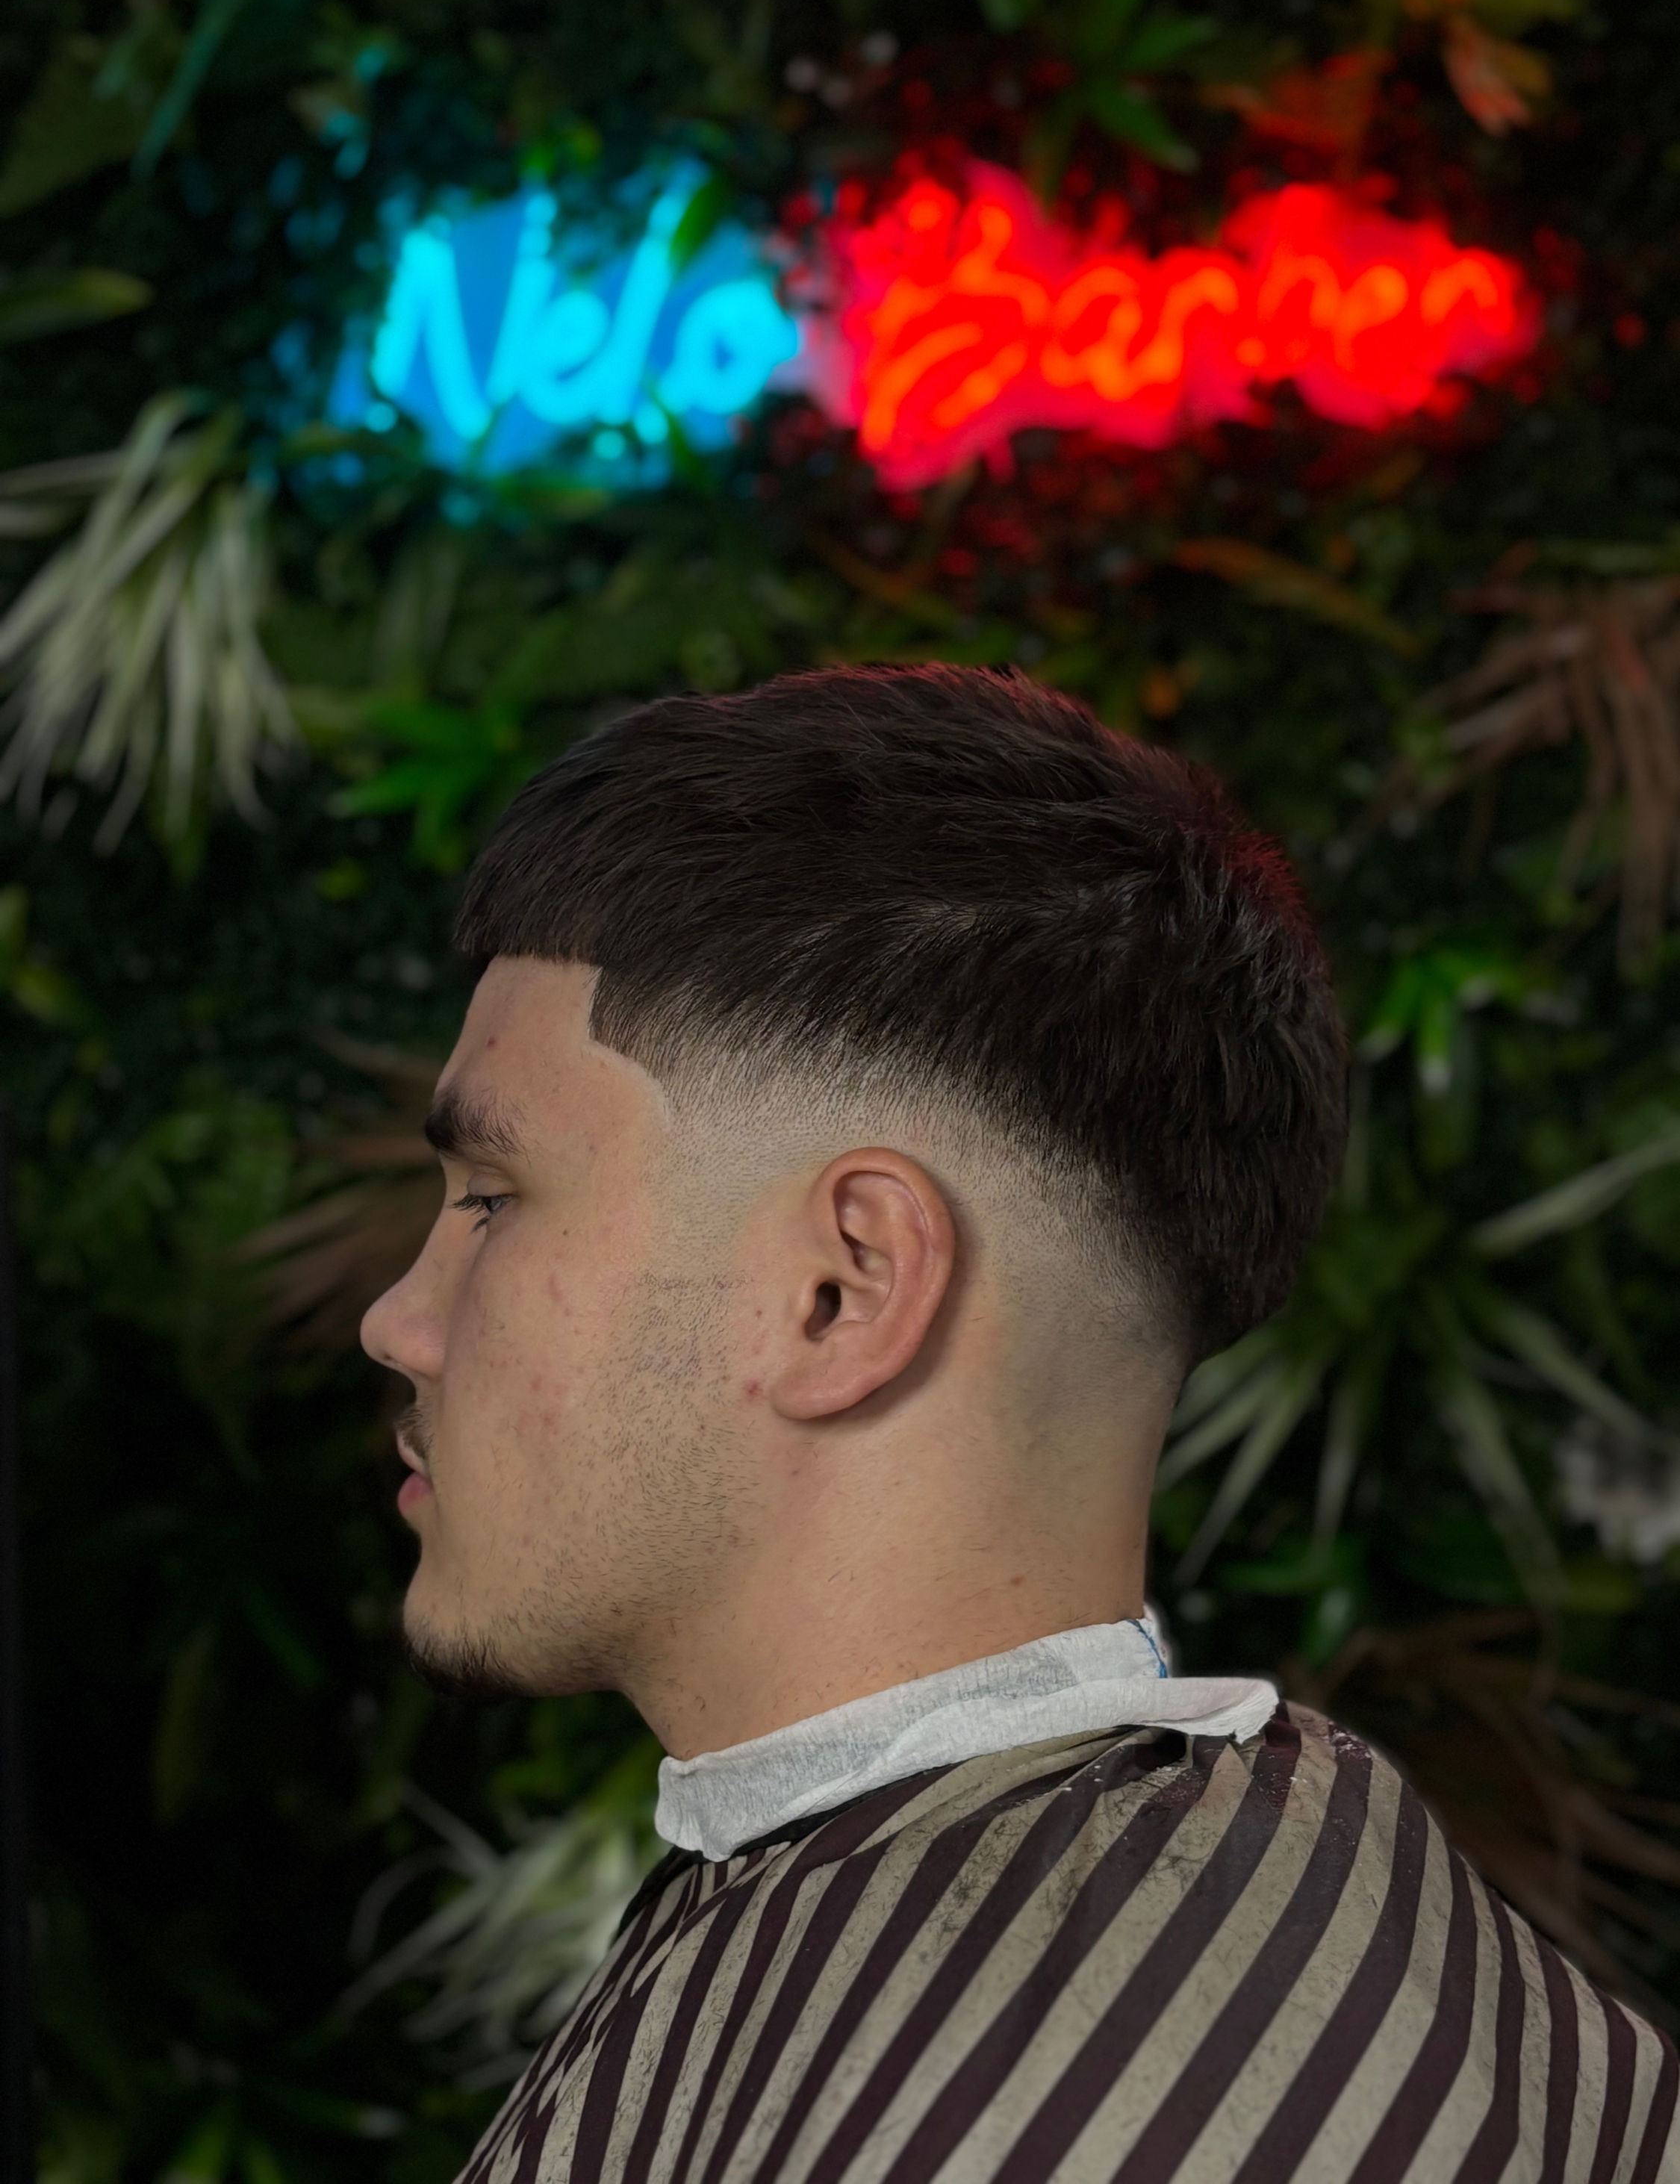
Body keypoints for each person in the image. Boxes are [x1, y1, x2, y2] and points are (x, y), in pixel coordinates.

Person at [361, 664, 1676, 2184]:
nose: (397, 1321)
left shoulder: (1116, 2102)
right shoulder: (1359, 1968)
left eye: (492, 1200)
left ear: (843, 1290)